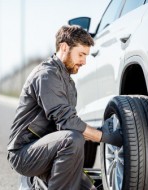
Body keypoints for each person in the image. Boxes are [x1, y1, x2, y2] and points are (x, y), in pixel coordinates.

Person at [7, 25, 122, 190]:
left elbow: (69, 126)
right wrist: (103, 136)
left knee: (90, 188)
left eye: (86, 56)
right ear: (64, 47)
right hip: (24, 153)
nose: (84, 61)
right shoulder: (46, 76)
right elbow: (68, 123)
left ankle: (38, 183)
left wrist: (101, 131)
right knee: (73, 140)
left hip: (48, 149)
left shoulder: (67, 82)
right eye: (81, 54)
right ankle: (35, 181)